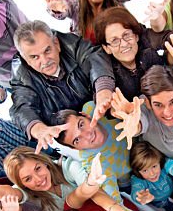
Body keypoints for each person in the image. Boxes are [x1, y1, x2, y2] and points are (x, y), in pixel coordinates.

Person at [8, 20, 116, 148]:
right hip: (81, 142)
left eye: (47, 50)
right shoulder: (22, 77)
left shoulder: (73, 45)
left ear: (56, 44)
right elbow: (21, 108)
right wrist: (38, 129)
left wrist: (103, 92)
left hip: (110, 113)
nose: (44, 61)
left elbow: (94, 57)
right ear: (26, 60)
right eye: (34, 57)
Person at [94, 7, 173, 101]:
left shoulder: (149, 54)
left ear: (136, 36)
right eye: (115, 40)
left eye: (126, 35)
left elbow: (165, 56)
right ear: (107, 48)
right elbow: (101, 98)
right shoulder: (108, 72)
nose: (124, 44)